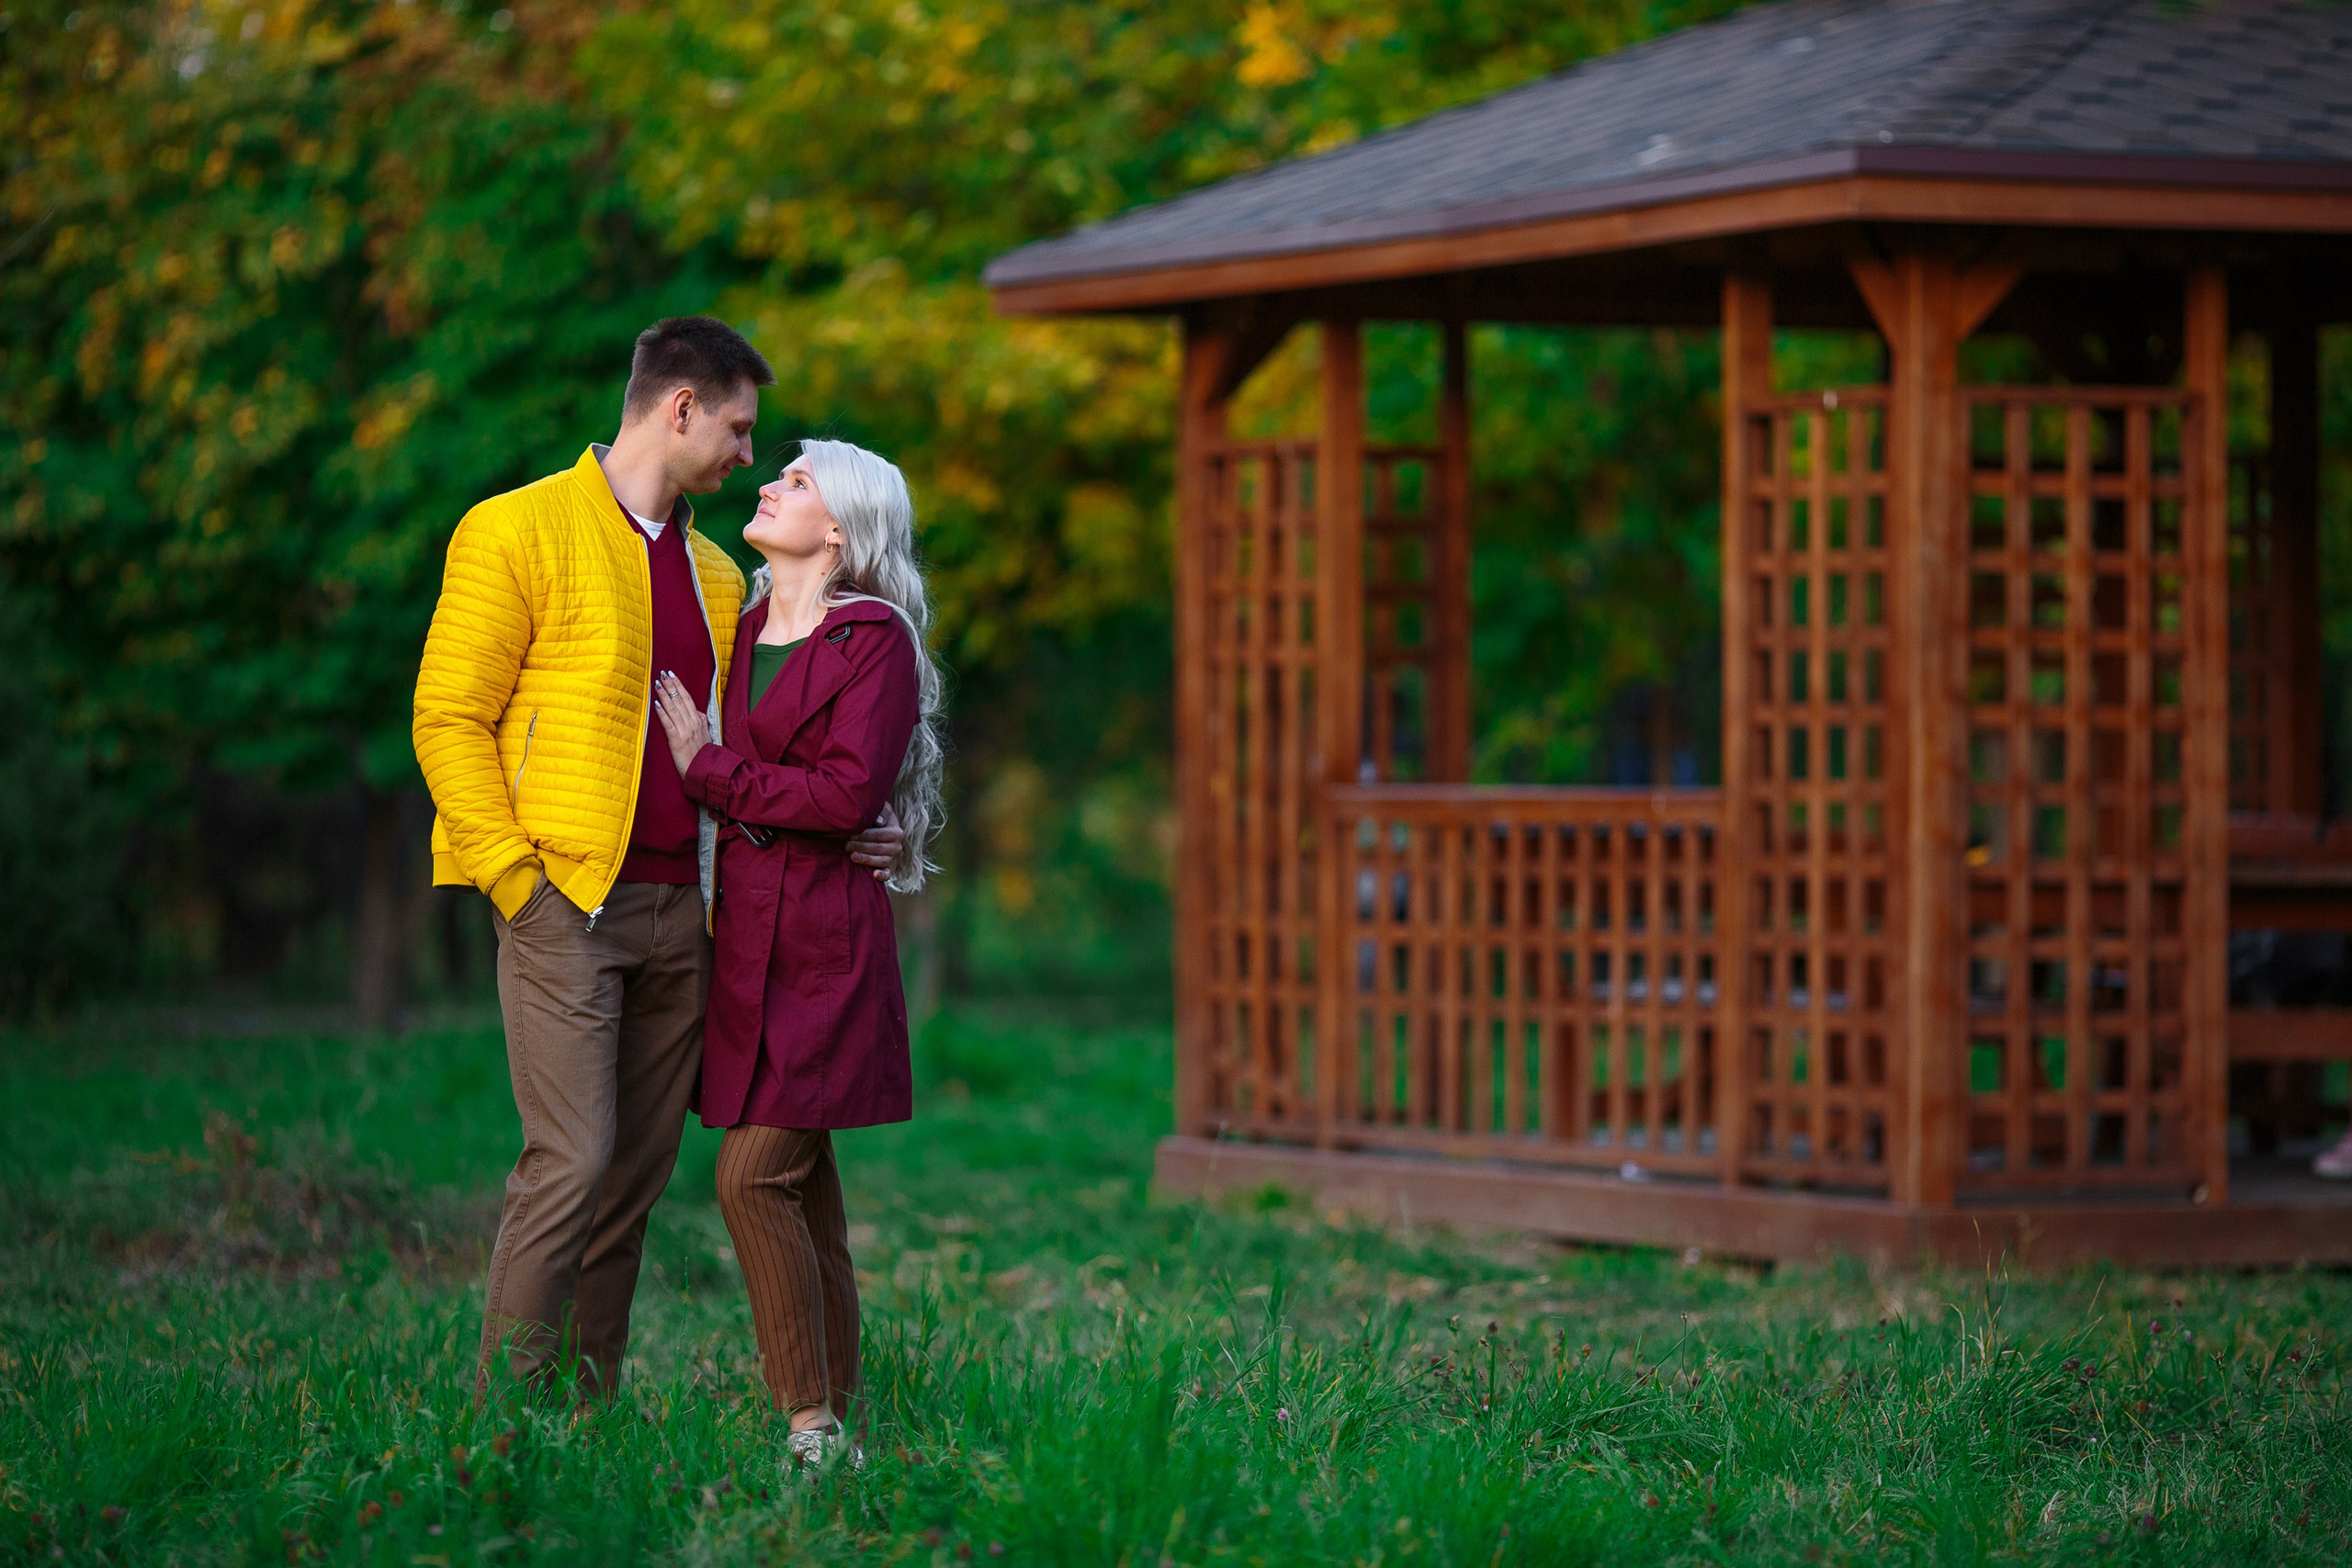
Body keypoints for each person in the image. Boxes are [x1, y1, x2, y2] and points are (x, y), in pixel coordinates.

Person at [413, 318, 904, 1405]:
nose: (745, 457)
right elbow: (448, 718)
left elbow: (781, 744)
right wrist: (510, 877)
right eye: (737, 430)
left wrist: (873, 823)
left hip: (686, 912)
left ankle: (585, 1417)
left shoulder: (721, 574)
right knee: (572, 1162)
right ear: (679, 408)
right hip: (561, 898)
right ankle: (504, 1421)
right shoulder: (515, 529)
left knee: (631, 1182)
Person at [650, 437, 943, 1468]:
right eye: (774, 473)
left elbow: (840, 796)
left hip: (823, 953)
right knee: (805, 1195)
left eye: (798, 480)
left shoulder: (873, 638)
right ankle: (845, 1413)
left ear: (839, 528)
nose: (768, 484)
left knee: (750, 1179)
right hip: (743, 949)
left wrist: (710, 769)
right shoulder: (735, 630)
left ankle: (808, 1421)